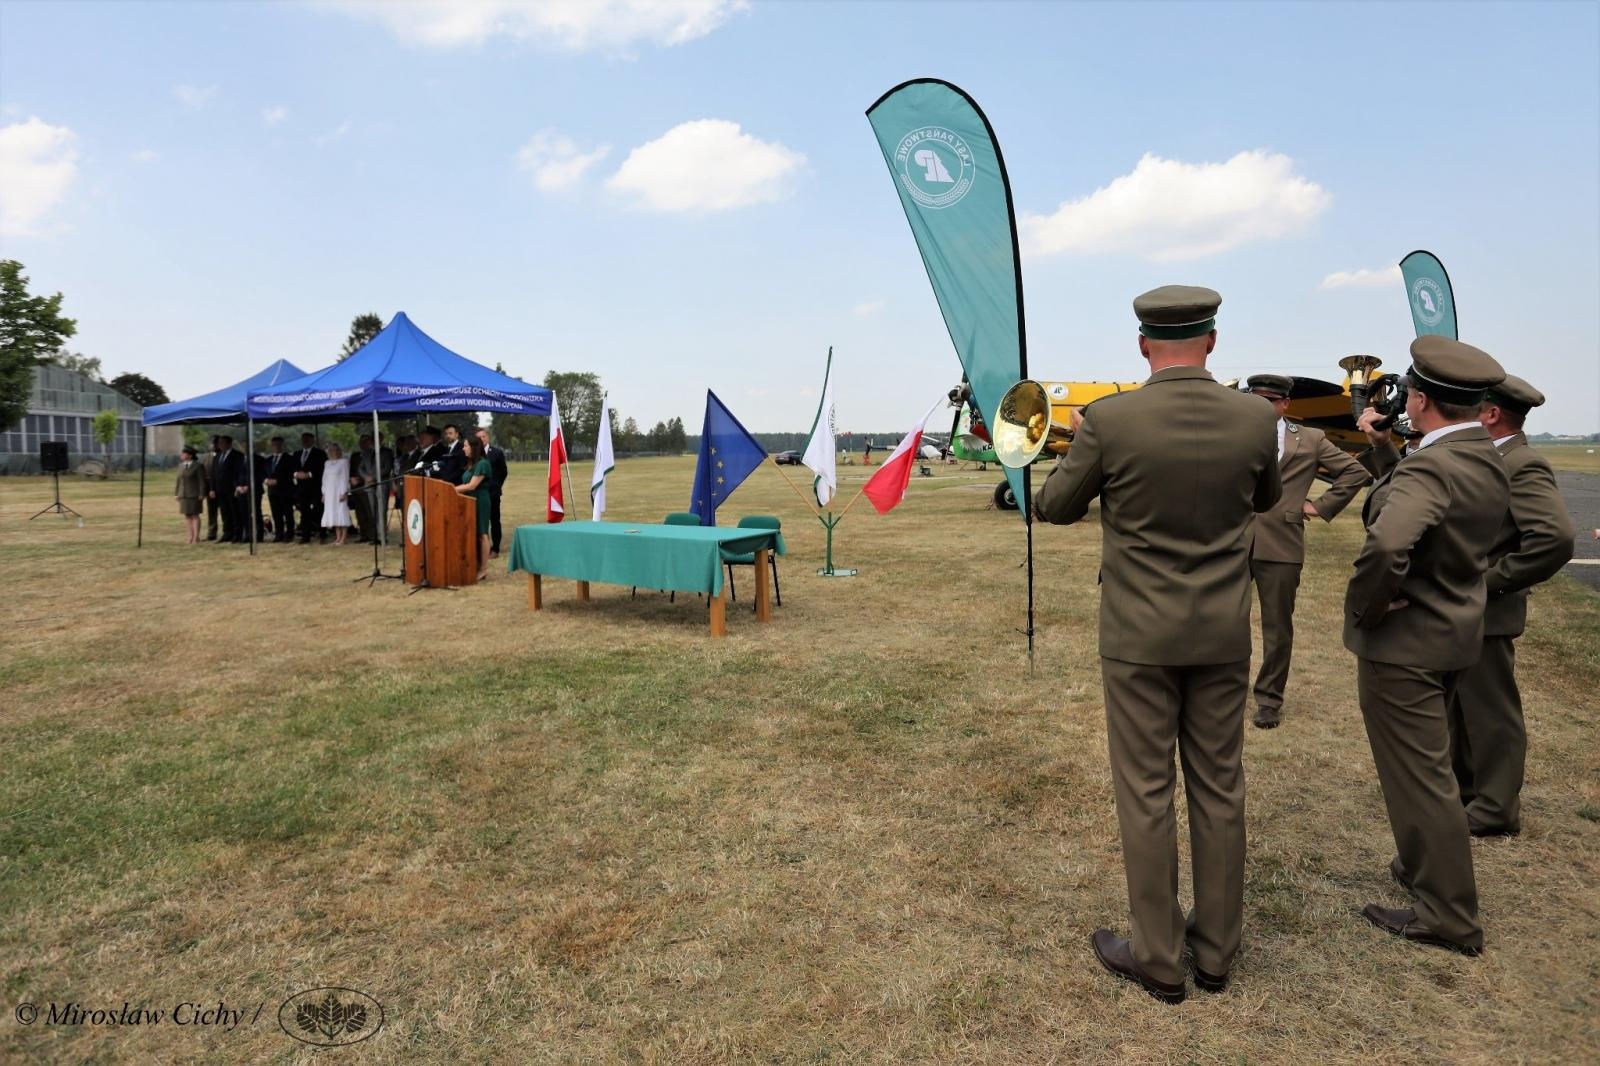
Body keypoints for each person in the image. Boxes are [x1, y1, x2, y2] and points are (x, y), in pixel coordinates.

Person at [1034, 285, 1280, 1004]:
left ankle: (1157, 956)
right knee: (1219, 787)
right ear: (1213, 340)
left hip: (1139, 635)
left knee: (1145, 792)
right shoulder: (1255, 417)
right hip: (1222, 631)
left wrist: (1085, 438)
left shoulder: (1111, 421)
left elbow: (1054, 506)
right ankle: (1217, 952)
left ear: (1143, 344)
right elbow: (1263, 500)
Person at [1345, 335, 1509, 957]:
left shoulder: (1435, 466)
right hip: (1452, 631)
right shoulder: (1481, 455)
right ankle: (1425, 873)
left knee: (1421, 778)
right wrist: (1388, 454)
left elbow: (1389, 545)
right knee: (1431, 769)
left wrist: (1372, 604)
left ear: (1420, 399)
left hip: (1407, 644)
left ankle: (1447, 914)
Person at [1447, 375, 1575, 836]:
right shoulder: (1487, 459)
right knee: (1460, 708)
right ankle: (1467, 794)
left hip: (1487, 610)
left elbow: (1554, 540)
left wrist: (1487, 585)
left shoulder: (1521, 463)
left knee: (1490, 712)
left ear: (1491, 414)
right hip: (1464, 610)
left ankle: (1497, 808)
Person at [1243, 373, 1371, 728]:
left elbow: (1354, 472)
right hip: (1232, 542)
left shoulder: (1311, 438)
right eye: (1256, 400)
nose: (1262, 407)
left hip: (1281, 543)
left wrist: (1318, 506)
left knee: (1277, 628)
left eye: (1270, 401)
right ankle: (1222, 692)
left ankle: (1269, 700)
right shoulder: (1231, 433)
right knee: (1224, 622)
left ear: (1285, 404)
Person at [455, 435, 493, 581]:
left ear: (473, 447)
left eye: (465, 446)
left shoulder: (483, 464)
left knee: (482, 534)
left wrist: (451, 489)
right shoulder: (471, 464)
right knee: (474, 534)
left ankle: (483, 569)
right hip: (469, 501)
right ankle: (475, 564)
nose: (463, 448)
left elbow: (472, 485)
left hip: (480, 501)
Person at [475, 426, 509, 556]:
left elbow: (503, 471)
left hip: (493, 493)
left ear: (488, 437)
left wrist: (497, 485)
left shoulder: (496, 452)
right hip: (478, 492)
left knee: (494, 520)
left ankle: (495, 548)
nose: (482, 439)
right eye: (479, 437)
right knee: (480, 520)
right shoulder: (474, 454)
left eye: (484, 436)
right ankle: (482, 547)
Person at [292, 432, 327, 544]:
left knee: (318, 510)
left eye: (307, 440)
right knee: (304, 511)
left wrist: (309, 474)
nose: (305, 442)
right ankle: (305, 535)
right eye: (303, 440)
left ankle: (322, 533)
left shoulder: (320, 453)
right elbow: (292, 468)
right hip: (302, 488)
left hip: (315, 487)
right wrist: (296, 474)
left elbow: (322, 468)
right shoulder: (297, 454)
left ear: (313, 441)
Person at [262, 437, 298, 542]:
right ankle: (279, 533)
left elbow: (291, 474)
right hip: (272, 491)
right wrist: (265, 480)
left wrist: (278, 481)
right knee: (276, 513)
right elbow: (263, 473)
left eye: (278, 444)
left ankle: (290, 533)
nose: (276, 447)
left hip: (285, 490)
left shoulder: (289, 459)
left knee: (287, 512)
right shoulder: (268, 460)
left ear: (282, 445)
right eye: (274, 445)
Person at [209, 435, 244, 543]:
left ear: (229, 444)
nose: (220, 445)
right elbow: (213, 474)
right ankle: (227, 532)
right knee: (225, 512)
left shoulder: (237, 455)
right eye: (219, 443)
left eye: (223, 443)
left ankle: (237, 534)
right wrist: (212, 489)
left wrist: (237, 486)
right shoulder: (217, 456)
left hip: (231, 489)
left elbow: (239, 472)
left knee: (234, 511)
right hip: (220, 490)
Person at [320, 443, 353, 545]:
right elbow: (324, 479)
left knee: (341, 512)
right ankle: (337, 537)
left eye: (335, 450)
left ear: (339, 451)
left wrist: (344, 492)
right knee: (333, 513)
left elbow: (345, 477)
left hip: (339, 491)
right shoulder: (327, 463)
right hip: (329, 492)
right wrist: (324, 493)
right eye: (331, 450)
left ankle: (343, 538)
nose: (333, 452)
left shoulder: (343, 462)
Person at [174, 445, 207, 544]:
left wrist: (202, 493)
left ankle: (196, 537)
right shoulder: (180, 466)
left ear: (190, 455)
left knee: (195, 515)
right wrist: (176, 493)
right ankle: (190, 536)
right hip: (183, 495)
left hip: (194, 494)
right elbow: (178, 481)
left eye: (184, 454)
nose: (182, 455)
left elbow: (202, 481)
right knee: (187, 515)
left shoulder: (198, 466)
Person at [202, 435, 221, 541]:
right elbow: (204, 474)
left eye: (215, 443)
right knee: (211, 511)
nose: (213, 445)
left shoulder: (223, 455)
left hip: (222, 487)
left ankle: (229, 531)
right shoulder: (206, 457)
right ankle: (212, 533)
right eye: (212, 443)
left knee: (226, 511)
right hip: (210, 488)